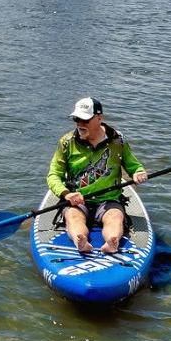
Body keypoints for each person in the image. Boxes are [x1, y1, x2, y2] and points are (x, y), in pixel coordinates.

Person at [47, 97, 149, 256]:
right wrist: (66, 194)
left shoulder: (117, 140)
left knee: (115, 217)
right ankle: (80, 241)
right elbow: (53, 175)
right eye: (76, 119)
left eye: (85, 120)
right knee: (73, 217)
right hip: (78, 199)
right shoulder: (66, 142)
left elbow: (133, 165)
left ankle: (112, 241)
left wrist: (138, 172)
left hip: (109, 199)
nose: (80, 124)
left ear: (99, 118)